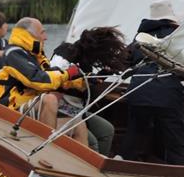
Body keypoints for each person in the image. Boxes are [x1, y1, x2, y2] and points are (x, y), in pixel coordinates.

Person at [120, 0, 184, 166]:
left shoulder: (138, 40)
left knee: (134, 136)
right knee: (176, 142)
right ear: (171, 19)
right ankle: (182, 176)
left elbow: (123, 63)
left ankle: (120, 168)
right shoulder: (177, 39)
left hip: (138, 93)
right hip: (167, 95)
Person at [0, 17, 88, 144]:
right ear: (31, 35)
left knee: (78, 124)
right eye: (43, 32)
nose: (46, 37)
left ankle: (83, 163)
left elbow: (50, 74)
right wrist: (67, 74)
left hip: (27, 104)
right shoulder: (13, 54)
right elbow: (38, 80)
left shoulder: (33, 54)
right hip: (7, 108)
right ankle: (45, 149)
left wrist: (80, 82)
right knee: (49, 99)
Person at [50, 26, 129, 156]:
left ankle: (101, 161)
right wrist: (81, 80)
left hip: (78, 112)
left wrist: (100, 77)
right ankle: (92, 166)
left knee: (107, 130)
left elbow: (85, 87)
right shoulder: (64, 54)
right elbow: (53, 79)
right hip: (61, 111)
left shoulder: (85, 62)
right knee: (91, 141)